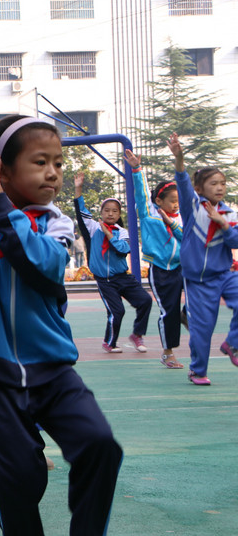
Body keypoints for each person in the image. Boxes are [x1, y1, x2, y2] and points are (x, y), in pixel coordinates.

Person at [0, 28, 122, 536]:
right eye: (40, 162)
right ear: (2, 170)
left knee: (99, 445)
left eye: (58, 163)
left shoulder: (58, 225)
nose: (52, 172)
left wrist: (5, 211)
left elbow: (39, 264)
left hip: (52, 368)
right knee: (20, 476)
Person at [167, 132, 238, 385]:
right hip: (198, 282)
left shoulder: (229, 214)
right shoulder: (192, 208)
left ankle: (232, 344)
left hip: (225, 275)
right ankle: (198, 370)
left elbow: (236, 242)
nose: (220, 187)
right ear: (199, 189)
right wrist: (179, 158)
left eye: (223, 183)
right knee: (202, 330)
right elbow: (182, 181)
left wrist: (223, 224)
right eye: (214, 183)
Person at [74, 174, 152, 353]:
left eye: (115, 211)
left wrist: (109, 234)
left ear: (119, 214)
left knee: (145, 301)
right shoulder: (93, 228)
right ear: (101, 213)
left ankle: (137, 334)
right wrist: (78, 188)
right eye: (107, 210)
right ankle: (109, 343)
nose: (110, 213)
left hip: (123, 278)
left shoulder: (122, 232)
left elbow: (123, 250)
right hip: (105, 281)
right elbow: (80, 210)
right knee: (117, 311)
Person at [123, 149, 185, 368]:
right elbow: (141, 194)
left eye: (179, 200)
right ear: (159, 200)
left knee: (202, 295)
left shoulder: (182, 218)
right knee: (169, 311)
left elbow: (187, 239)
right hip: (161, 271)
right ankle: (168, 353)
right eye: (172, 201)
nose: (176, 204)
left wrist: (173, 223)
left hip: (183, 267)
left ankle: (186, 315)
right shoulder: (150, 215)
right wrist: (136, 169)